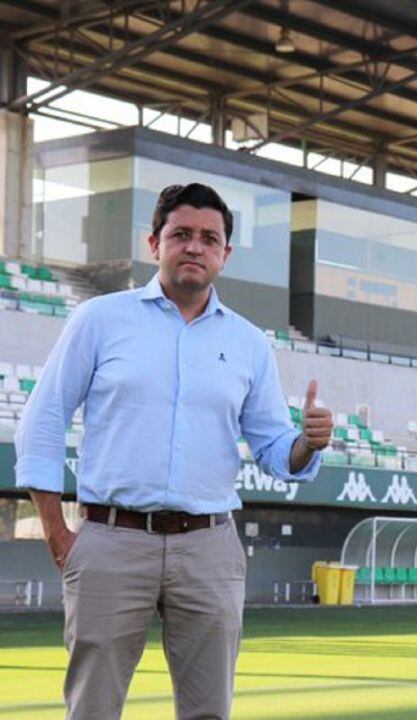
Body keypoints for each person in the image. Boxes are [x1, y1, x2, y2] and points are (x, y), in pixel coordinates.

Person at [14, 183, 334, 720]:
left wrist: (309, 443)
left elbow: (278, 454)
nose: (194, 247)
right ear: (154, 243)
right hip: (111, 541)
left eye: (209, 238)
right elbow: (43, 420)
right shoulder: (99, 320)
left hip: (209, 547)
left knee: (209, 711)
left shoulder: (251, 344)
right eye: (180, 234)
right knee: (92, 708)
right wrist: (57, 532)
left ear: (225, 255)